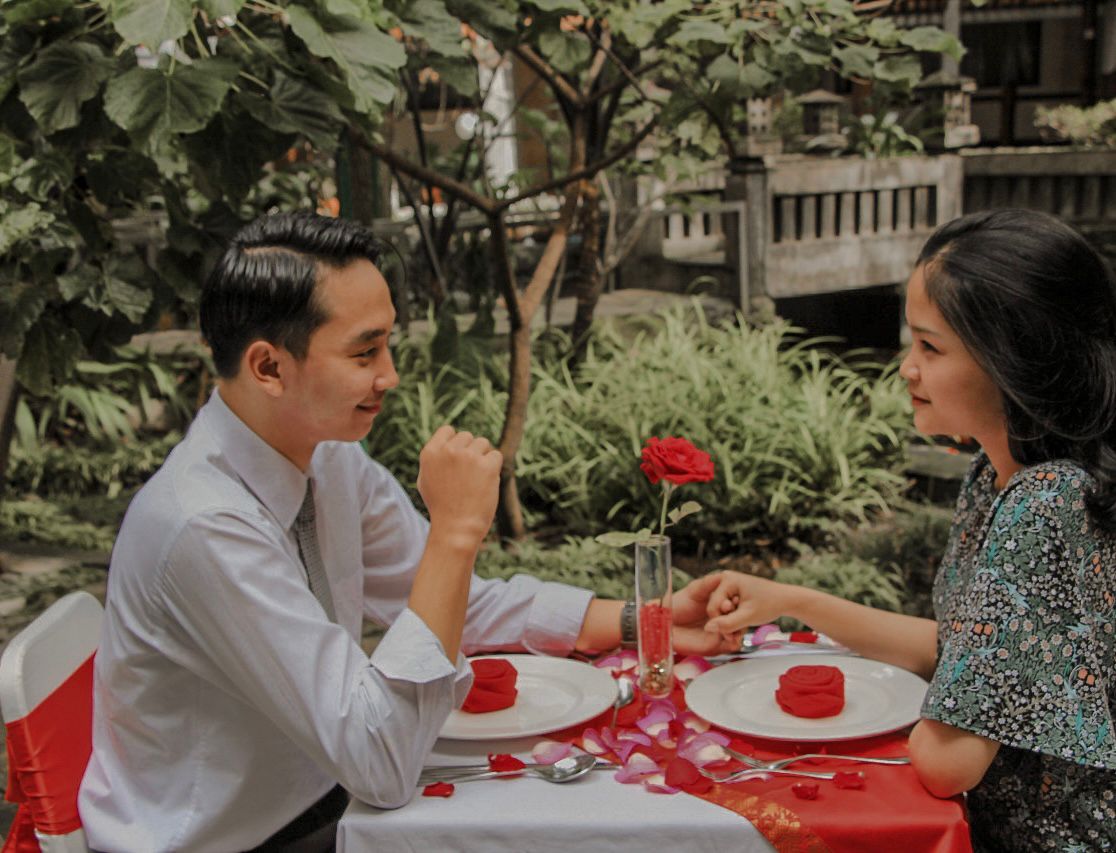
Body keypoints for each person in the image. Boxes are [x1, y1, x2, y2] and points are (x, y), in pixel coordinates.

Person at [78, 212, 731, 852]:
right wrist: (455, 532)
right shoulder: (204, 526)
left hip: (329, 799)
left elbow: (458, 606)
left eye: (388, 344)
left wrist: (644, 620)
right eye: (365, 352)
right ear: (268, 367)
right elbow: (379, 762)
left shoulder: (327, 457)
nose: (389, 375)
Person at [703, 209, 1116, 852]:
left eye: (930, 347)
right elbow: (957, 652)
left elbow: (948, 760)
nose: (906, 368)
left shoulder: (1045, 504)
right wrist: (790, 600)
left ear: (1012, 359)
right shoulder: (998, 474)